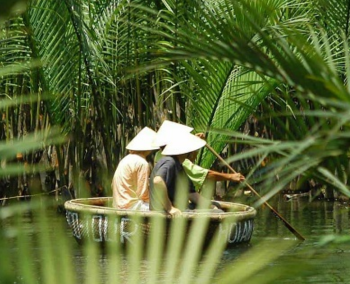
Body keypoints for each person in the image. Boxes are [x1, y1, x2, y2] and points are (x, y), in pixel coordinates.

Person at [153, 120, 245, 197]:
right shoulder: (172, 160)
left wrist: (194, 144)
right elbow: (206, 175)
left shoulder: (160, 155)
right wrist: (231, 176)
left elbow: (189, 160)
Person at [150, 131, 209, 216]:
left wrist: (210, 206)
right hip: (164, 214)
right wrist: (170, 208)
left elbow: (191, 193)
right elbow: (158, 181)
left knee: (217, 211)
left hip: (181, 208)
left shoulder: (179, 166)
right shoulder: (170, 162)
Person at [112, 127, 159, 211]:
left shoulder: (126, 159)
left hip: (119, 204)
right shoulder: (142, 163)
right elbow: (143, 194)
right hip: (131, 206)